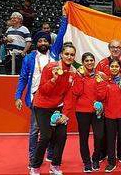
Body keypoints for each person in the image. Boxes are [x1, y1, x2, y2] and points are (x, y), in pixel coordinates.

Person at [29, 43, 77, 175]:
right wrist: (54, 80)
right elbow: (43, 90)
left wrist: (65, 114)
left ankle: (55, 165)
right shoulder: (50, 68)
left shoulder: (73, 72)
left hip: (59, 108)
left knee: (62, 136)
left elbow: (68, 95)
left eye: (72, 55)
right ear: (61, 54)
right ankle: (35, 167)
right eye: (66, 54)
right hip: (42, 106)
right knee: (45, 137)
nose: (69, 56)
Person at [15, 31, 59, 169]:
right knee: (35, 130)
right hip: (36, 97)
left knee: (53, 128)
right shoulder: (29, 58)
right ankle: (33, 158)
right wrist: (18, 96)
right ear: (36, 43)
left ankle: (51, 154)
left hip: (54, 97)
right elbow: (23, 79)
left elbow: (62, 35)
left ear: (49, 43)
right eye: (40, 41)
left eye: (45, 41)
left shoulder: (54, 55)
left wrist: (65, 18)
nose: (43, 43)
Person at [95, 39, 121, 161]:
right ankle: (105, 154)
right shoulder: (102, 63)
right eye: (113, 47)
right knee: (107, 134)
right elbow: (97, 82)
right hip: (107, 105)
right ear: (109, 48)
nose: (115, 49)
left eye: (118, 47)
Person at [72, 52, 105, 173]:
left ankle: (95, 158)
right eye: (87, 61)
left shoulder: (100, 75)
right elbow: (77, 92)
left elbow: (102, 95)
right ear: (83, 62)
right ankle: (86, 162)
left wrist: (100, 83)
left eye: (91, 60)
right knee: (84, 137)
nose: (90, 63)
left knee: (99, 135)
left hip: (97, 111)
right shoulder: (78, 75)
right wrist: (80, 77)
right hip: (82, 111)